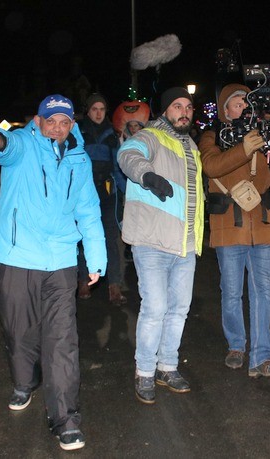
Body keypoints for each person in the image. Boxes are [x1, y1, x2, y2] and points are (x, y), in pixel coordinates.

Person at [0, 94, 106, 451]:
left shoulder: (78, 157)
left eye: (65, 122)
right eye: (52, 121)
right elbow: (8, 146)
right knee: (20, 333)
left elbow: (89, 210)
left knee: (62, 340)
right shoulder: (24, 145)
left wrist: (96, 259)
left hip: (61, 261)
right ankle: (23, 381)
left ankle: (65, 418)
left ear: (72, 124)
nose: (59, 129)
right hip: (18, 258)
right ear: (38, 121)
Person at [198, 83, 270, 378]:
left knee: (263, 291)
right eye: (237, 103)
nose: (244, 107)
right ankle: (236, 345)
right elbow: (212, 167)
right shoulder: (213, 136)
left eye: (247, 103)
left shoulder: (263, 133)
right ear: (225, 110)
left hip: (261, 224)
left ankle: (262, 356)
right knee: (231, 291)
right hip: (229, 224)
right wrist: (244, 148)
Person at [117, 87, 204, 404]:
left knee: (178, 310)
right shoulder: (151, 135)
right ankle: (144, 372)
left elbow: (187, 194)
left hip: (184, 243)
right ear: (165, 111)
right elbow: (127, 155)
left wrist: (211, 200)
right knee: (155, 309)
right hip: (153, 241)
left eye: (188, 107)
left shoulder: (191, 146)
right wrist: (146, 175)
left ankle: (168, 366)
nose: (184, 111)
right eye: (177, 106)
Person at [77, 93, 128, 304]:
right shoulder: (78, 132)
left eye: (102, 109)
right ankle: (82, 282)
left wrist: (127, 192)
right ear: (88, 111)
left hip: (107, 194)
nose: (98, 113)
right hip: (83, 194)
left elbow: (117, 167)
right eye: (94, 109)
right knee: (82, 239)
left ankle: (114, 287)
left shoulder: (111, 134)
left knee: (110, 239)